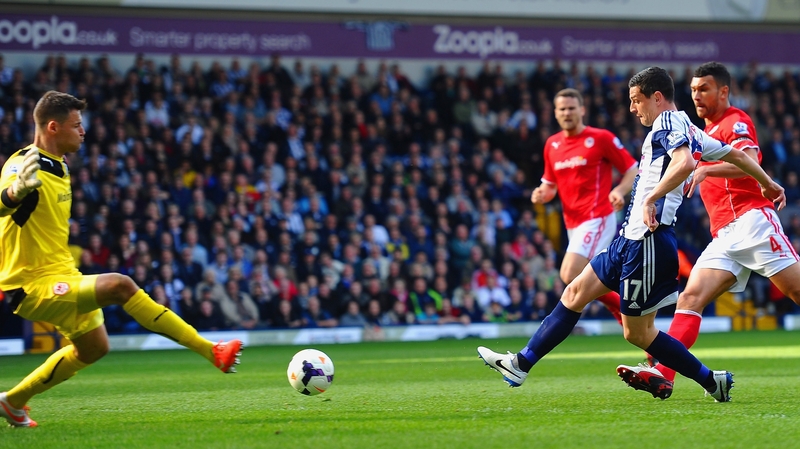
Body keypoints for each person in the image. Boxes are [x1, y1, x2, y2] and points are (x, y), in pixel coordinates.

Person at [477, 67, 785, 403]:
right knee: (575, 291)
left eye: (636, 100)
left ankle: (712, 381)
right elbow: (736, 155)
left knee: (637, 333)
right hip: (628, 239)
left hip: (648, 243)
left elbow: (684, 163)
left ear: (657, 97)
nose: (632, 108)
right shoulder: (691, 128)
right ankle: (521, 364)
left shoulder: (668, 123)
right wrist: (768, 183)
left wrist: (652, 198)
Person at [0, 91, 243, 428]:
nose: (83, 131)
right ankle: (211, 350)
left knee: (94, 348)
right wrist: (14, 194)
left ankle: (13, 402)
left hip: (62, 274)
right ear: (53, 127)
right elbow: (5, 200)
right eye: (76, 125)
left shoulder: (59, 163)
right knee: (120, 285)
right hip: (29, 284)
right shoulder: (24, 165)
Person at [617, 62, 800, 398]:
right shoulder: (699, 130)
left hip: (752, 222)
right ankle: (663, 374)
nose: (697, 96)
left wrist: (705, 171)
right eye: (693, 90)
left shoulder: (735, 121)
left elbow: (747, 158)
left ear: (723, 91)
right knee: (690, 299)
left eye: (704, 89)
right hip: (724, 234)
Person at [531, 88, 639, 324]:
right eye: (562, 109)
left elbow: (633, 169)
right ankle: (626, 311)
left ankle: (624, 310)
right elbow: (550, 186)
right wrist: (541, 193)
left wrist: (619, 191)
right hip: (572, 223)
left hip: (597, 217)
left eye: (571, 108)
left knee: (569, 273)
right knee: (584, 278)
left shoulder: (601, 138)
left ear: (581, 110)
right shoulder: (552, 145)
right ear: (555, 113)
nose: (567, 113)